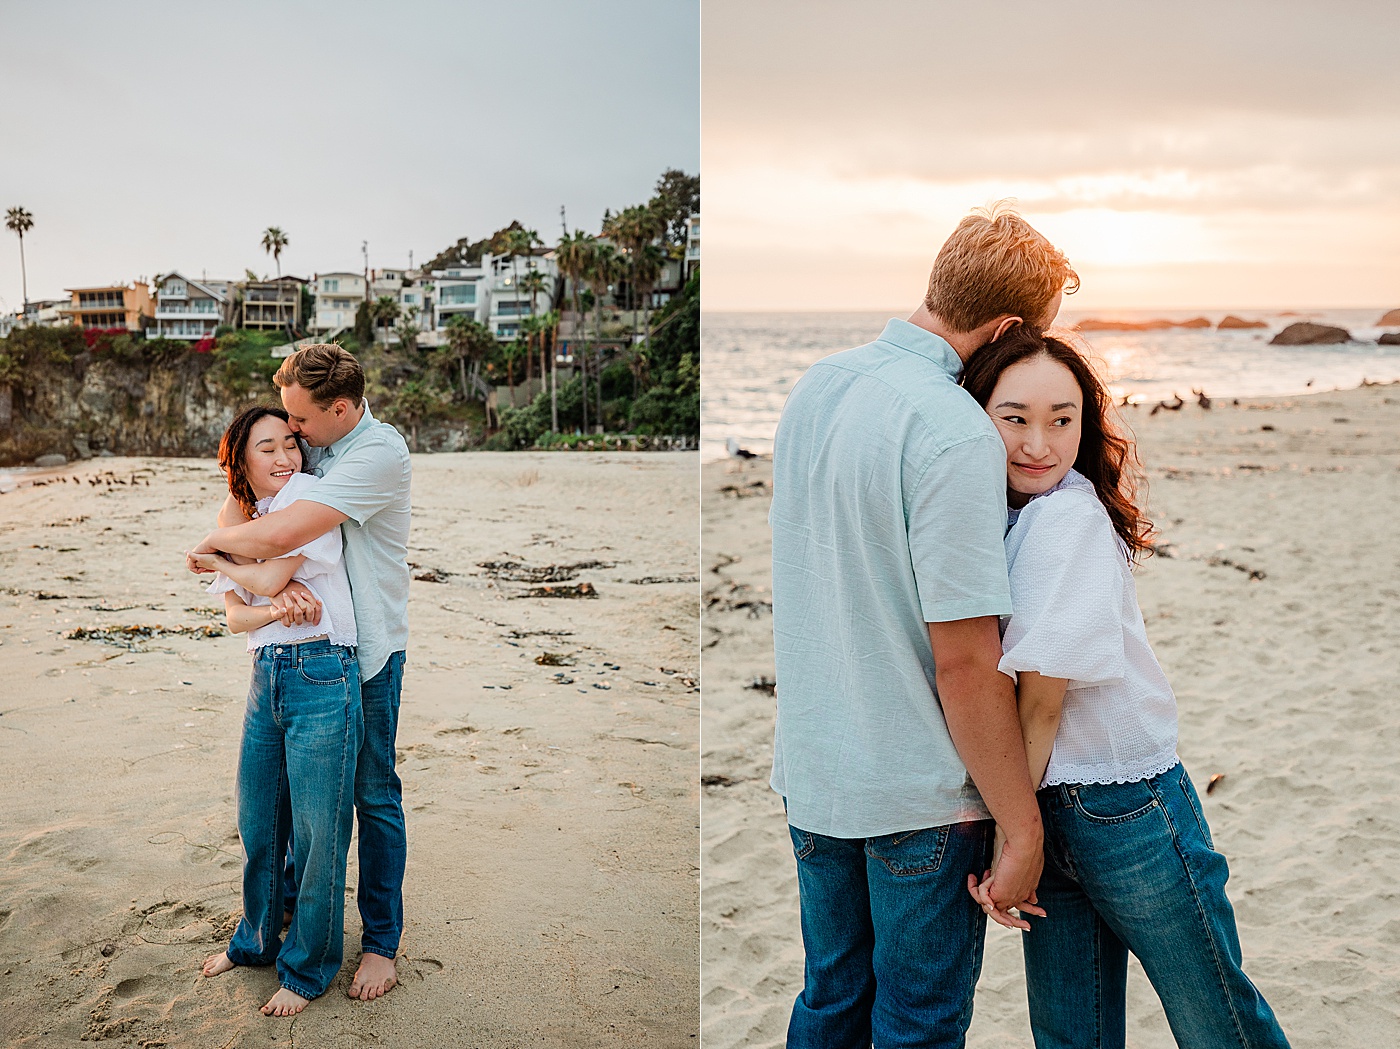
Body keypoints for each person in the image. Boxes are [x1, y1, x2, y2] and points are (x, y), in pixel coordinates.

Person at [768, 202, 1078, 1048]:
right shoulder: (952, 431)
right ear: (1010, 327)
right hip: (916, 794)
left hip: (815, 771)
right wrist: (1022, 824)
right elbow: (967, 663)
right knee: (918, 1024)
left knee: (829, 1002)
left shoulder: (817, 386)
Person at [961, 327, 1291, 1049]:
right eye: (1013, 417)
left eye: (1061, 420)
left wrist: (1008, 833)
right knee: (1074, 1032)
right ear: (977, 414)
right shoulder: (1014, 516)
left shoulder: (1065, 518)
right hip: (1056, 800)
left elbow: (1041, 703)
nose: (1038, 443)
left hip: (1123, 807)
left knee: (1217, 1022)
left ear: (1086, 422)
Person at [189, 344, 411, 1002]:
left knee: (368, 798)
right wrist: (229, 542)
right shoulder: (313, 449)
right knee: (274, 811)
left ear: (338, 410)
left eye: (300, 424)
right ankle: (267, 930)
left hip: (366, 648)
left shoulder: (373, 455)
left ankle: (378, 943)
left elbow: (275, 542)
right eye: (284, 430)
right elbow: (247, 495)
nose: (295, 441)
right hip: (285, 658)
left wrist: (206, 550)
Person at [196, 405, 362, 1017]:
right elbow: (240, 613)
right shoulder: (245, 517)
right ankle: (256, 943)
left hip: (323, 669)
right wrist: (271, 607)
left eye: (291, 444)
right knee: (259, 820)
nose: (285, 458)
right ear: (240, 458)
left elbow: (269, 577)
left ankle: (308, 967)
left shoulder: (310, 502)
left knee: (319, 834)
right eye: (267, 448)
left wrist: (218, 558)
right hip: (266, 673)